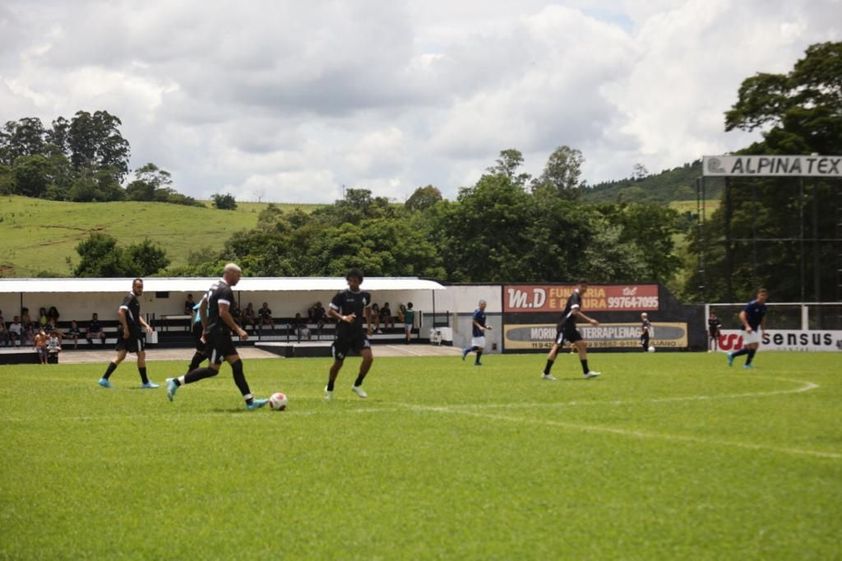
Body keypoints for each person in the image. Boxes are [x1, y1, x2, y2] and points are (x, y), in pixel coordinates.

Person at [166, 263, 268, 410]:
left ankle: (250, 402)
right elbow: (223, 312)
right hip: (218, 335)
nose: (239, 278)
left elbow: (202, 307)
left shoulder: (213, 287)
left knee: (237, 365)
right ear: (231, 273)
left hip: (220, 334)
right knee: (212, 370)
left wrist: (206, 327)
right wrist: (238, 329)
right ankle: (175, 382)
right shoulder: (225, 290)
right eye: (238, 275)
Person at [97, 278, 159, 389]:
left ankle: (104, 379)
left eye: (142, 287)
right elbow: (120, 312)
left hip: (128, 330)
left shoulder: (134, 299)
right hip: (132, 331)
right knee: (141, 354)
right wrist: (126, 328)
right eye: (138, 287)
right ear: (133, 287)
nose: (140, 289)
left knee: (121, 355)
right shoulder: (129, 298)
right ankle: (145, 383)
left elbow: (137, 316)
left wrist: (146, 325)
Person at [324, 268, 374, 401]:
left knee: (368, 358)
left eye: (355, 280)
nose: (352, 283)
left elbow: (368, 310)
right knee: (338, 363)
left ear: (360, 281)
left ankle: (357, 384)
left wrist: (369, 326)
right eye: (350, 280)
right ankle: (330, 387)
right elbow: (330, 311)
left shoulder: (366, 296)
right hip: (343, 333)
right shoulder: (341, 295)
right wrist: (344, 317)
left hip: (358, 333)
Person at [542, 281, 601, 381]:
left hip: (570, 327)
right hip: (565, 326)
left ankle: (586, 372)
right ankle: (546, 373)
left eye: (586, 287)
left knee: (582, 345)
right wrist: (590, 320)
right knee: (557, 347)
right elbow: (575, 312)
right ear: (578, 286)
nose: (584, 289)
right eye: (583, 287)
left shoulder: (577, 297)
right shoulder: (575, 296)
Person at [727, 288, 768, 369]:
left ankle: (732, 355)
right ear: (758, 295)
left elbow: (763, 319)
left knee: (749, 349)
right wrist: (747, 326)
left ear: (766, 296)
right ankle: (747, 365)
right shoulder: (752, 304)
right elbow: (741, 314)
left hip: (754, 328)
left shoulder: (764, 307)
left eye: (764, 295)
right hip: (747, 328)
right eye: (761, 295)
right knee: (755, 345)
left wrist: (763, 331)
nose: (762, 297)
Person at [462, 299, 492, 366]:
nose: (484, 306)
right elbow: (474, 320)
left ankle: (477, 362)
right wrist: (479, 327)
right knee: (479, 346)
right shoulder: (477, 312)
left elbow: (483, 324)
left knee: (480, 347)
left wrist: (487, 327)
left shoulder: (483, 313)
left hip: (480, 332)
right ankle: (466, 351)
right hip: (477, 332)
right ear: (479, 305)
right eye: (482, 304)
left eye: (484, 304)